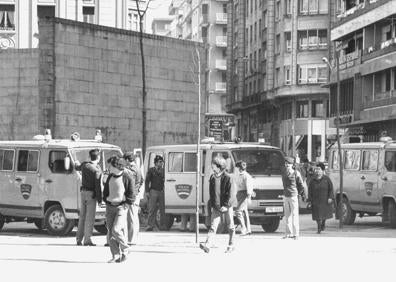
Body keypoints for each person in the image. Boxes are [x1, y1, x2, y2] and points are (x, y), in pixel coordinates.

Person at [199, 156, 236, 253]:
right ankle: (207, 245)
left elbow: (231, 194)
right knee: (213, 226)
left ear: (219, 166)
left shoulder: (228, 178)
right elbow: (212, 193)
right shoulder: (212, 177)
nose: (212, 167)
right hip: (216, 206)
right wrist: (213, 205)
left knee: (230, 226)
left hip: (227, 206)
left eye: (214, 165)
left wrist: (226, 206)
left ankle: (231, 245)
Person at [103, 156, 135, 263]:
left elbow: (131, 194)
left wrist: (126, 204)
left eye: (110, 165)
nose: (109, 167)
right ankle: (116, 255)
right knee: (111, 232)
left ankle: (125, 248)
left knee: (116, 230)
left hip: (121, 208)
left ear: (116, 166)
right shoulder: (110, 177)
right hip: (110, 207)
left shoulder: (127, 177)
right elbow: (106, 191)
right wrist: (106, 200)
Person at [75, 149, 102, 246]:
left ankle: (79, 238)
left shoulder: (84, 165)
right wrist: (100, 199)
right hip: (91, 194)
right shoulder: (96, 170)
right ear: (98, 158)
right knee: (89, 218)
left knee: (82, 216)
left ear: (90, 157)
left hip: (83, 192)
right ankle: (87, 240)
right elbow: (98, 186)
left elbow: (77, 167)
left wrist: (76, 162)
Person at [281, 156, 306, 240]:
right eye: (286, 163)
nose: (287, 165)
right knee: (287, 215)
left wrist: (299, 193)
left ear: (292, 164)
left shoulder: (296, 173)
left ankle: (296, 234)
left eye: (288, 163)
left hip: (293, 195)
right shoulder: (284, 172)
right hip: (286, 195)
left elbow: (301, 185)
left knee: (295, 215)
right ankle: (288, 233)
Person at [307, 163, 334, 234]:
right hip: (315, 200)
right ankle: (319, 228)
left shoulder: (327, 179)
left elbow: (331, 189)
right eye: (316, 169)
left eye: (319, 169)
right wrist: (309, 200)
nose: (317, 171)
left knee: (324, 214)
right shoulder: (313, 180)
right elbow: (309, 190)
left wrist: (330, 197)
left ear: (322, 170)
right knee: (317, 215)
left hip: (324, 200)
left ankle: (323, 223)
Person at [124, 152, 144, 245]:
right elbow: (142, 181)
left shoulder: (131, 169)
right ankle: (134, 237)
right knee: (134, 217)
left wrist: (134, 191)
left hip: (132, 195)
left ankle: (131, 239)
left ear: (127, 160)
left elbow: (130, 183)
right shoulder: (138, 168)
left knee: (131, 218)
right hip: (136, 195)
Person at [145, 155, 165, 231]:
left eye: (162, 162)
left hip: (161, 191)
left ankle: (162, 226)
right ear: (156, 163)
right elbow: (147, 181)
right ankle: (150, 225)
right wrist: (147, 191)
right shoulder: (151, 170)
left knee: (162, 209)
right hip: (153, 191)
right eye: (160, 162)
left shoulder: (163, 171)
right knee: (152, 209)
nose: (161, 163)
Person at [234, 161, 253, 235]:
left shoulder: (246, 176)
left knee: (238, 211)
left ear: (239, 168)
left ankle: (243, 228)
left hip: (244, 194)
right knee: (244, 212)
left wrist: (249, 197)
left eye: (236, 167)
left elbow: (249, 187)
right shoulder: (239, 175)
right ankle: (248, 230)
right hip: (240, 194)